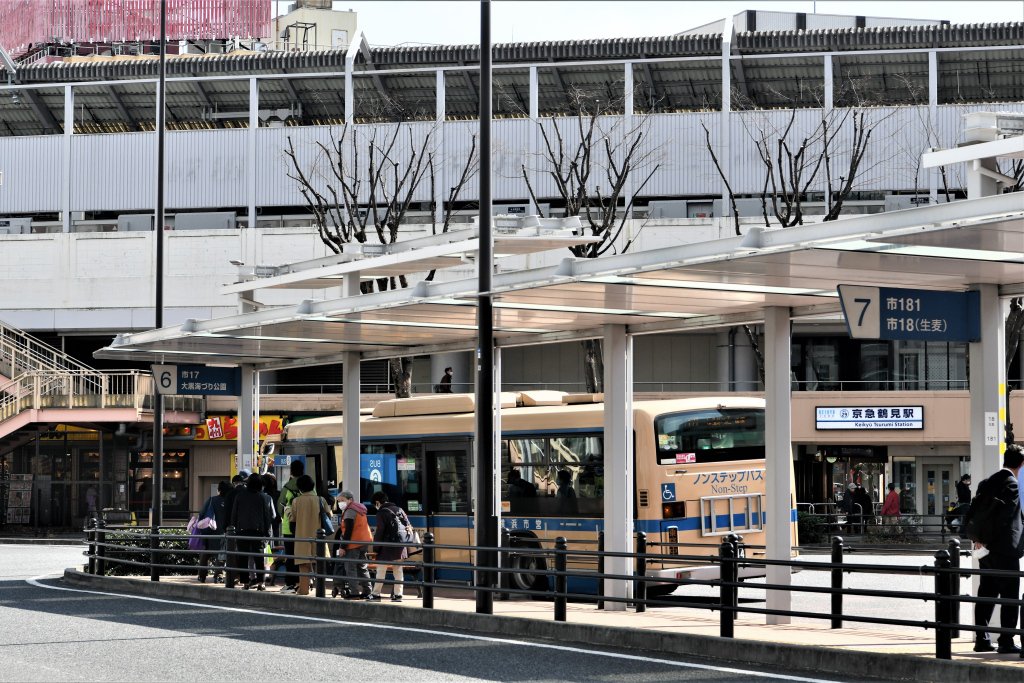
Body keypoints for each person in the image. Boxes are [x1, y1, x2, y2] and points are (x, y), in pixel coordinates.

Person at [972, 444, 1024, 654]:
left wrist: (980, 539)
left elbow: (977, 513)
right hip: (1005, 550)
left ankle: (982, 639)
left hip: (985, 550)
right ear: (1021, 464)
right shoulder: (1011, 483)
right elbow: (1005, 519)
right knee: (1010, 596)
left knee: (986, 593)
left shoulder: (987, 482)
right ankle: (1006, 641)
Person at [231, 473, 274, 590]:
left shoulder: (240, 496)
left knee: (243, 558)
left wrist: (233, 531)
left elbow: (234, 514)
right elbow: (267, 517)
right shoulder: (261, 497)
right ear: (260, 485)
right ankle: (261, 583)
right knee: (259, 558)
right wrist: (267, 533)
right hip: (258, 532)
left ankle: (245, 582)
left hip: (241, 531)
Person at [368, 491, 409, 602]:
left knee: (381, 570)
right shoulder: (399, 509)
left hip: (386, 546)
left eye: (375, 504)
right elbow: (408, 525)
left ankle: (376, 594)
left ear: (377, 502)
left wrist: (376, 547)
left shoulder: (382, 512)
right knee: (398, 571)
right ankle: (398, 594)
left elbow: (380, 531)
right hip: (400, 545)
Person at [332, 490, 373, 599]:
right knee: (362, 567)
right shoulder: (360, 508)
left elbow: (349, 530)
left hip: (353, 543)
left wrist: (343, 547)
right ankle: (367, 590)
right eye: (339, 501)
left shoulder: (350, 510)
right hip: (363, 541)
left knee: (351, 568)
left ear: (350, 500)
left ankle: (354, 592)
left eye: (342, 500)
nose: (340, 503)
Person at [289, 474, 322, 596]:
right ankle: (321, 590)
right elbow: (328, 515)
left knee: (303, 565)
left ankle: (303, 590)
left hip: (302, 536)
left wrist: (287, 510)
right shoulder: (320, 499)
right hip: (318, 537)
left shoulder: (297, 501)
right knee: (319, 564)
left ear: (300, 488)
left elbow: (292, 518)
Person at [277, 460, 305, 594]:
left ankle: (290, 584)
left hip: (289, 528)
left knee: (291, 556)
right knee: (304, 555)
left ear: (291, 472)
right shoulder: (309, 485)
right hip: (305, 526)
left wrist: (286, 514)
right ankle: (305, 582)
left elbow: (280, 506)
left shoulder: (287, 487)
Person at [197, 480, 229, 583]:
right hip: (223, 532)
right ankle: (218, 575)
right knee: (222, 554)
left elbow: (201, 513)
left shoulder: (212, 500)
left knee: (206, 553)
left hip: (209, 530)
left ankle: (202, 576)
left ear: (219, 490)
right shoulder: (230, 501)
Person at [261, 473, 284, 586]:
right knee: (273, 550)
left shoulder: (261, 495)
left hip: (262, 526)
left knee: (263, 550)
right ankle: (271, 575)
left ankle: (264, 574)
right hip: (275, 526)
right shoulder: (278, 494)